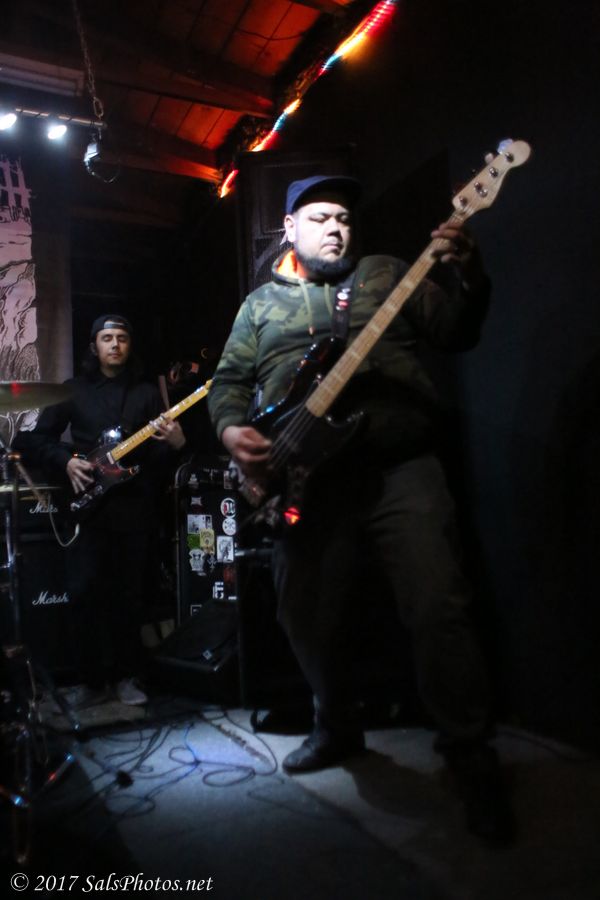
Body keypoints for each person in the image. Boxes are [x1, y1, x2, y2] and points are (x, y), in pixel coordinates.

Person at [207, 174, 513, 842]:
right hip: (306, 483)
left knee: (439, 606)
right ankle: (336, 724)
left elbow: (457, 330)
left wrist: (469, 275)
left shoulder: (387, 273)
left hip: (400, 468)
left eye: (344, 218)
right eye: (320, 217)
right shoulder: (260, 306)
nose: (335, 229)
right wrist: (231, 431)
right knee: (303, 614)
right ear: (290, 228)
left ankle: (469, 752)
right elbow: (227, 382)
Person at [22, 314, 186, 708]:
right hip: (89, 511)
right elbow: (34, 440)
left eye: (122, 338)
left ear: (130, 345)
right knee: (83, 593)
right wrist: (65, 461)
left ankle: (127, 676)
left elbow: (157, 459)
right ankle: (92, 682)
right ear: (94, 346)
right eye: (107, 338)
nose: (115, 344)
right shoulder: (72, 390)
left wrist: (178, 443)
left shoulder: (147, 394)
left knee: (130, 596)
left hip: (135, 511)